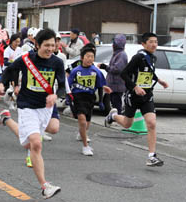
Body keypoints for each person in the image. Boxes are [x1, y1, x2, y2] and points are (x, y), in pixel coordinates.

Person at [0, 28, 66, 199]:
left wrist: (56, 95)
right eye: (46, 46)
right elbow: (9, 70)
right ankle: (45, 186)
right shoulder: (26, 59)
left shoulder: (57, 62)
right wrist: (2, 84)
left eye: (52, 46)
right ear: (37, 44)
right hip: (27, 105)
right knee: (35, 143)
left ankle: (6, 120)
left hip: (45, 108)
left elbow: (62, 85)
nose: (50, 49)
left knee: (30, 142)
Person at [105, 32, 169, 167]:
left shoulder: (152, 58)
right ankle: (114, 116)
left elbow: (149, 73)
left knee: (151, 123)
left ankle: (151, 156)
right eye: (151, 42)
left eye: (156, 42)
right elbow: (124, 74)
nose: (154, 44)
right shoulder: (138, 57)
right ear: (144, 44)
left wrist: (159, 80)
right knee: (127, 124)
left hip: (147, 95)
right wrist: (135, 87)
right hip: (132, 96)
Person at [68, 46, 110, 156]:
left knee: (87, 122)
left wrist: (100, 101)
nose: (90, 59)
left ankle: (81, 133)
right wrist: (69, 101)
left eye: (92, 57)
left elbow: (100, 86)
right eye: (87, 56)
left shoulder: (96, 71)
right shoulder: (76, 71)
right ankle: (85, 146)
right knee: (82, 120)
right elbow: (68, 86)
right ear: (82, 58)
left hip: (90, 98)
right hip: (78, 98)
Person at [98, 34, 127, 114]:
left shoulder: (121, 54)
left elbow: (117, 69)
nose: (113, 44)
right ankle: (116, 118)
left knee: (117, 105)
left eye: (115, 42)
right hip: (113, 85)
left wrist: (105, 67)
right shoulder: (117, 53)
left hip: (117, 86)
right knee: (114, 104)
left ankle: (118, 119)